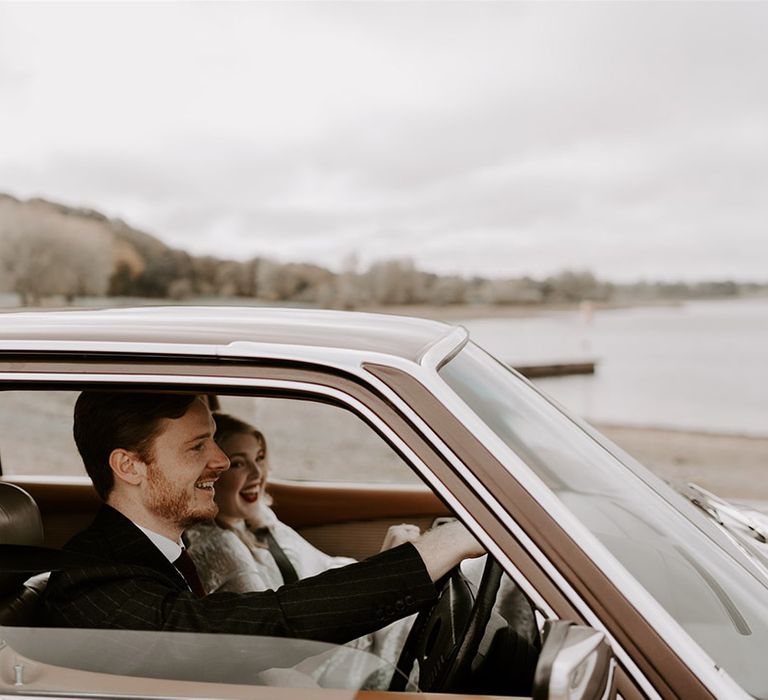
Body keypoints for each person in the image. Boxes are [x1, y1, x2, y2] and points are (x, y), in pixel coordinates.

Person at [41, 392, 483, 647]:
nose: (219, 460)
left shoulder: (167, 551)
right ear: (130, 466)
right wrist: (435, 549)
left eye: (214, 441)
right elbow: (254, 627)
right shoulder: (92, 579)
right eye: (197, 447)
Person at [185, 413, 419, 681]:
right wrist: (384, 576)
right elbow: (273, 645)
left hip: (351, 636)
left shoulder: (257, 520)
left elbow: (325, 568)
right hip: (337, 665)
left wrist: (383, 565)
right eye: (238, 463)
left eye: (259, 458)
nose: (257, 473)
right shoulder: (219, 547)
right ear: (211, 474)